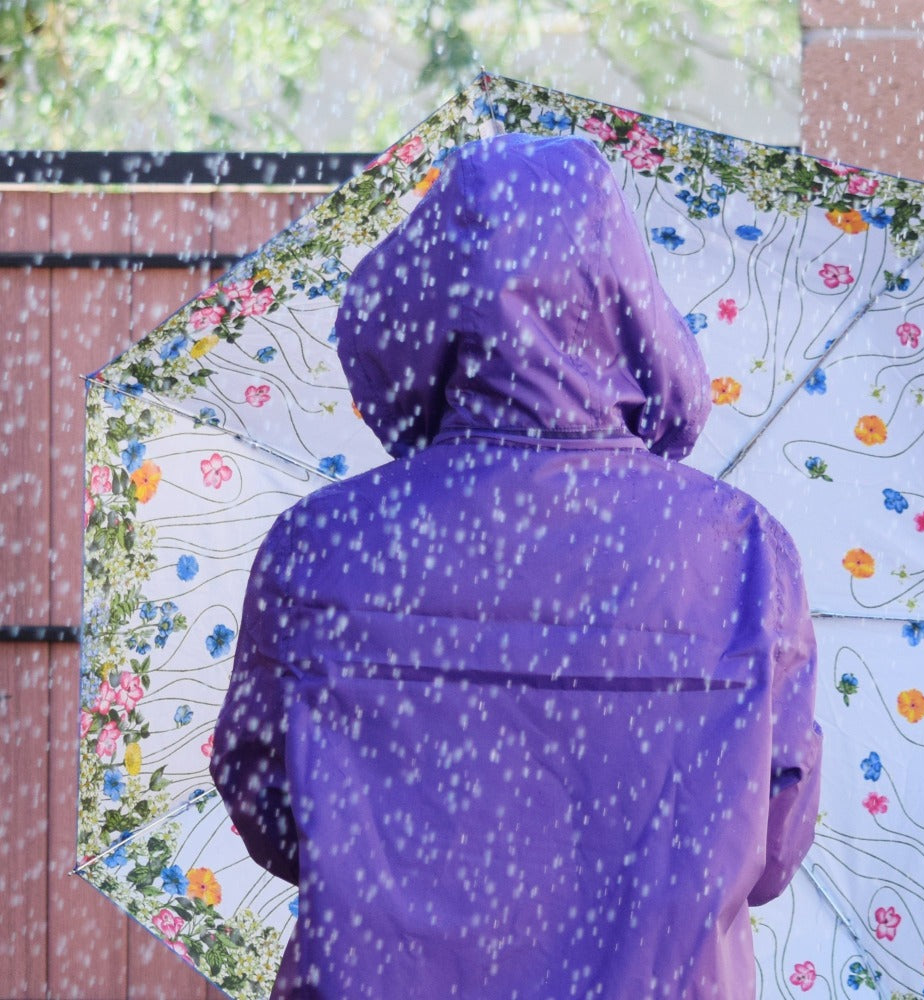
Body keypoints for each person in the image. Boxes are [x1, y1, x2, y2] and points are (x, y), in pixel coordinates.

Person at [210, 132, 822, 999]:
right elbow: (774, 847)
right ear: (628, 301)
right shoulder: (742, 552)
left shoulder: (322, 544)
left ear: (423, 304)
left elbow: (272, 813)